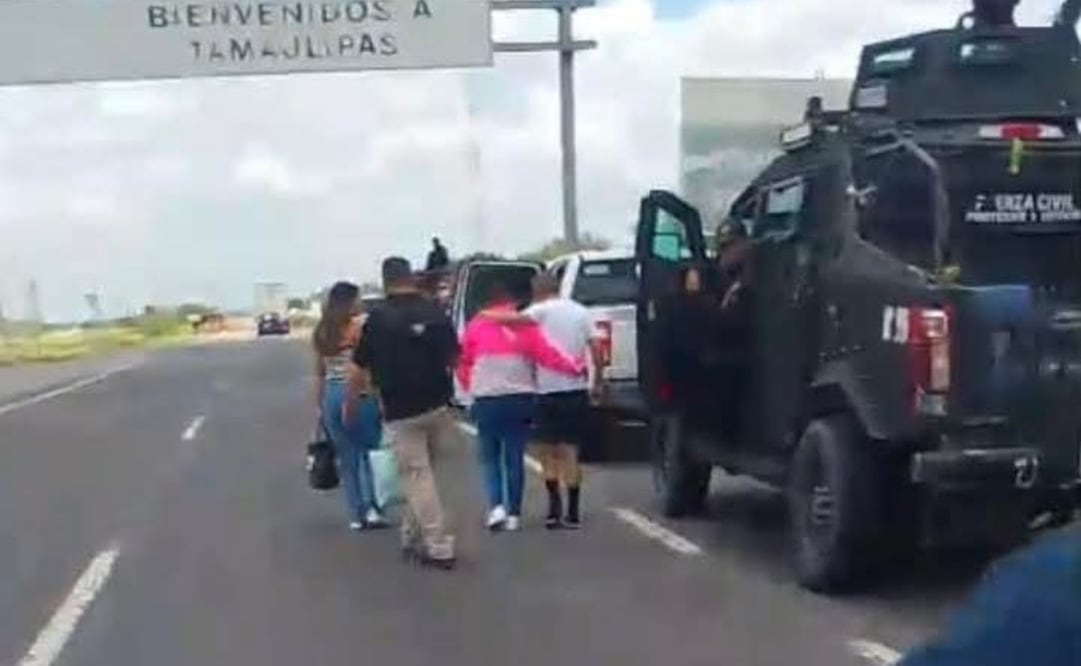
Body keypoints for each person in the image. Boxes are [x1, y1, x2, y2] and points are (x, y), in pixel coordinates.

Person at [352, 257, 459, 569]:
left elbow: (359, 367)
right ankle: (411, 535)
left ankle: (438, 545)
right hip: (438, 404)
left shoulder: (378, 319)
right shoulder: (434, 312)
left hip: (401, 409)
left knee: (416, 476)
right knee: (423, 476)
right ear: (410, 277)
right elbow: (454, 357)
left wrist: (354, 401)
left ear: (385, 280)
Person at [457, 282, 586, 532]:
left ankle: (496, 508)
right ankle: (514, 513)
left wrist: (470, 387)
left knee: (489, 457)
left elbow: (463, 362)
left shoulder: (476, 326)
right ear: (512, 303)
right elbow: (547, 354)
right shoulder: (524, 326)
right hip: (520, 398)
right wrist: (575, 368)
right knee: (514, 457)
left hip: (487, 398)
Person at [521, 274, 603, 529]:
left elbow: (521, 348)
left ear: (537, 290)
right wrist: (597, 380)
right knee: (571, 452)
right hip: (575, 391)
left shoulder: (534, 312)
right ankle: (574, 511)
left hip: (544, 391)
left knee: (547, 454)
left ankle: (554, 509)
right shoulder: (581, 312)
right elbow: (596, 350)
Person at [312, 281, 387, 531]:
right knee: (368, 451)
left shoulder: (322, 332)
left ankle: (356, 515)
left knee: (347, 457)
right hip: (358, 392)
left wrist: (319, 406)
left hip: (331, 394)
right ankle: (372, 508)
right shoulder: (357, 330)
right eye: (357, 299)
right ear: (348, 302)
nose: (360, 303)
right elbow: (366, 366)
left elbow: (320, 372)